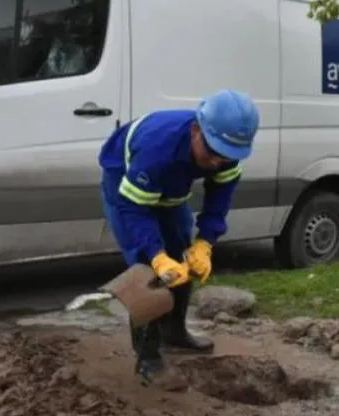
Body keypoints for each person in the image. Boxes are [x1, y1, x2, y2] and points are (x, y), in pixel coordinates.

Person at [98, 89, 260, 383]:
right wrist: (157, 257)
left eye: (225, 157)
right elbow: (135, 209)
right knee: (145, 267)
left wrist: (205, 243)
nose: (215, 163)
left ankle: (174, 332)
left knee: (182, 254)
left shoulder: (225, 151)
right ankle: (147, 358)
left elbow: (220, 196)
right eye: (211, 153)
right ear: (196, 130)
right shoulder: (158, 149)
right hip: (126, 182)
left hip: (172, 189)